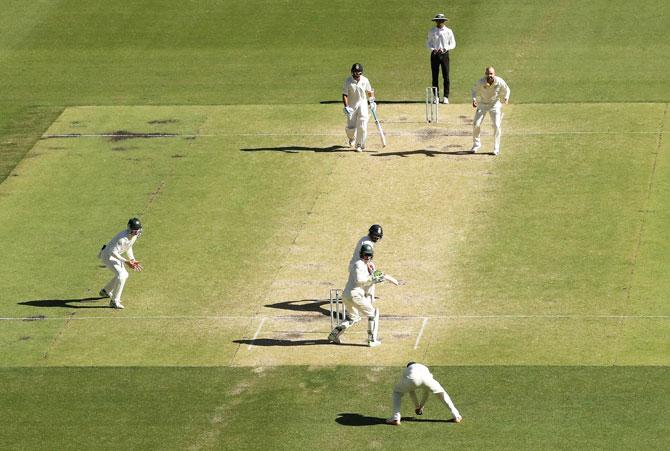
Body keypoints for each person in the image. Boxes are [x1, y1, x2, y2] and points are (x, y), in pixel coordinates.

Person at [328, 243, 385, 347]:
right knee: (373, 313)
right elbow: (359, 280)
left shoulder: (364, 265)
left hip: (347, 295)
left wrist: (375, 279)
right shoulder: (358, 264)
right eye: (365, 255)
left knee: (352, 318)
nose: (367, 257)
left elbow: (365, 281)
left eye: (369, 255)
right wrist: (372, 279)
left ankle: (334, 335)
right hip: (354, 295)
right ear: (361, 255)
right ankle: (372, 340)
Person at [386, 362, 462, 426]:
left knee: (397, 392)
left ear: (408, 366)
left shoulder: (406, 370)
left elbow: (411, 391)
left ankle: (395, 418)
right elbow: (426, 392)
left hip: (412, 379)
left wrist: (417, 406)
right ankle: (456, 416)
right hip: (427, 380)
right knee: (441, 393)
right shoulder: (424, 368)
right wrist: (420, 406)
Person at [98, 217, 144, 309]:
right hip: (108, 256)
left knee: (124, 275)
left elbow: (129, 246)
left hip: (115, 255)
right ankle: (114, 301)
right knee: (122, 275)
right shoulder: (122, 239)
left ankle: (106, 291)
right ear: (129, 229)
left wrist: (132, 259)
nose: (136, 233)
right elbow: (112, 252)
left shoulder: (134, 236)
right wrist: (126, 261)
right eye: (134, 231)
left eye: (138, 231)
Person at [470, 66, 511, 155]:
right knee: (476, 124)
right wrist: (474, 99)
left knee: (496, 125)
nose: (490, 75)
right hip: (482, 104)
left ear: (494, 74)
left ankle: (496, 148)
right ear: (485, 74)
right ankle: (476, 144)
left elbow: (507, 89)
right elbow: (474, 90)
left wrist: (506, 98)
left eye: (491, 74)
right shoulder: (481, 81)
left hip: (495, 105)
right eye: (488, 74)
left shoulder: (499, 81)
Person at [342, 63, 376, 152]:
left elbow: (369, 91)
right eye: (355, 73)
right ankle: (352, 138)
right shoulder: (348, 81)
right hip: (352, 107)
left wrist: (372, 101)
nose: (357, 75)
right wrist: (346, 106)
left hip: (363, 105)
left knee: (362, 126)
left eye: (359, 73)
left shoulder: (365, 80)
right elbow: (345, 94)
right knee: (350, 128)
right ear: (352, 73)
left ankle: (359, 145)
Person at [426, 13, 456, 105]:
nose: (439, 22)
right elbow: (428, 43)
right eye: (438, 21)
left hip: (444, 55)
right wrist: (433, 49)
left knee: (446, 76)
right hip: (434, 55)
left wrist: (445, 48)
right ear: (436, 21)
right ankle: (436, 97)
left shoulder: (448, 31)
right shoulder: (432, 31)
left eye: (441, 21)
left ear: (444, 21)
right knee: (435, 76)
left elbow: (453, 44)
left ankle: (446, 97)